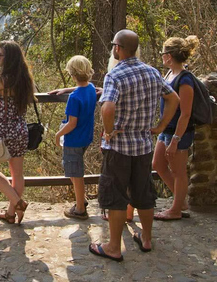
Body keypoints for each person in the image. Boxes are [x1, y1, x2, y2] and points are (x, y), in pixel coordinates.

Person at [90, 29, 180, 261]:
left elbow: (107, 107)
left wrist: (109, 131)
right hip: (143, 145)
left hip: (119, 147)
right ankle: (147, 239)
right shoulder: (152, 72)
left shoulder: (114, 75)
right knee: (143, 193)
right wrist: (160, 127)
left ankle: (112, 247)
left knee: (116, 195)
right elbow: (173, 98)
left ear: (118, 48)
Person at [0, 40, 35, 225]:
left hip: (1, 133)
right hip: (20, 131)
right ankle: (11, 213)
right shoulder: (26, 80)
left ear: (8, 58)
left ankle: (18, 203)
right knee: (17, 174)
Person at [152, 35, 200, 220]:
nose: (162, 56)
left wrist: (176, 140)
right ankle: (181, 202)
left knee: (179, 172)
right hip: (166, 130)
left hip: (179, 134)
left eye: (163, 53)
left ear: (169, 56)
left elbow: (185, 113)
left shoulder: (185, 79)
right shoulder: (168, 75)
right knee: (158, 164)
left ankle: (176, 210)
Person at [54, 55, 96, 220]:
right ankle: (81, 200)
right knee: (74, 170)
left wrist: (58, 135)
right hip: (86, 137)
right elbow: (82, 89)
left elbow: (72, 123)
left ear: (72, 74)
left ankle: (80, 208)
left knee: (76, 173)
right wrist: (68, 89)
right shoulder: (91, 88)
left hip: (74, 139)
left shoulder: (74, 98)